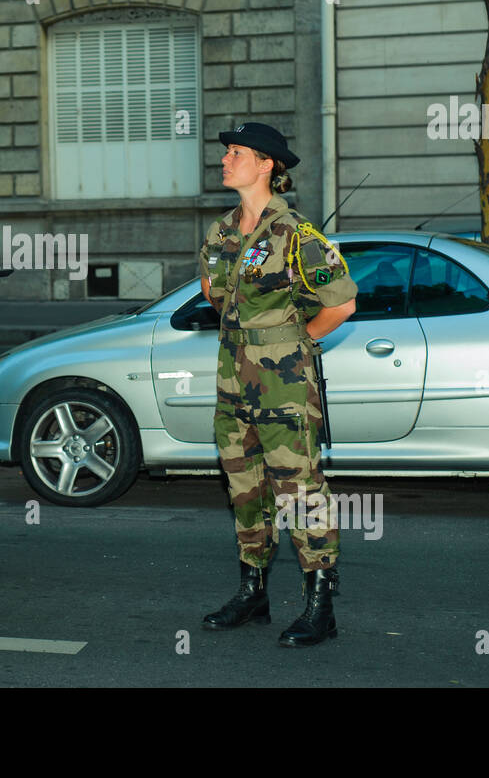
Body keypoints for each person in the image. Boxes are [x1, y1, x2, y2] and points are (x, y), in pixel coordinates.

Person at [197, 122, 357, 647]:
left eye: (236, 152)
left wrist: (293, 344)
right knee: (243, 484)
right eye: (226, 152)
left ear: (267, 164)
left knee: (299, 488)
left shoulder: (298, 234)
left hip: (284, 384)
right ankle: (253, 591)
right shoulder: (222, 232)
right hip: (231, 378)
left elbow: (342, 303)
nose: (225, 159)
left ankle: (320, 605)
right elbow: (215, 295)